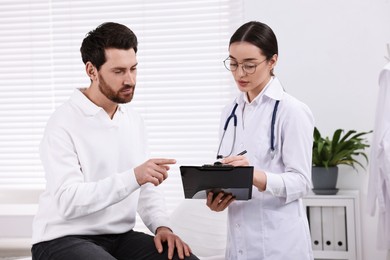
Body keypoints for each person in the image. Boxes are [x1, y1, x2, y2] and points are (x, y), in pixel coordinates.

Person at [31, 22, 198, 260]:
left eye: (133, 69)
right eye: (119, 71)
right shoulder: (63, 122)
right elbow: (68, 201)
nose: (129, 80)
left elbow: (145, 186)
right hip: (62, 238)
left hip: (119, 237)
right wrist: (134, 177)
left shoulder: (132, 119)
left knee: (184, 258)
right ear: (92, 71)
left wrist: (162, 226)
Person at [206, 21, 314, 260]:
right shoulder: (229, 112)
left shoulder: (292, 111)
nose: (239, 73)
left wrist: (254, 176)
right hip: (238, 243)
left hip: (279, 244)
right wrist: (218, 198)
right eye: (233, 64)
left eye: (249, 65)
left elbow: (302, 182)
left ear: (272, 61)